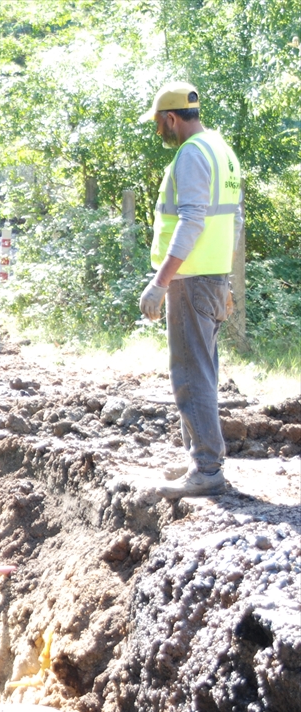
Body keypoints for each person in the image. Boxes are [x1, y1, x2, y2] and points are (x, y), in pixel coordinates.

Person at [137, 81, 242, 499]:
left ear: (171, 118)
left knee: (190, 372)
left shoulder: (191, 156)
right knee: (203, 370)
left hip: (191, 279)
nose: (160, 130)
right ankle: (201, 456)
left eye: (160, 122)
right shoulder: (222, 152)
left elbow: (192, 221)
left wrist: (160, 282)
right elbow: (233, 221)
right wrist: (227, 279)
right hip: (211, 277)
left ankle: (207, 468)